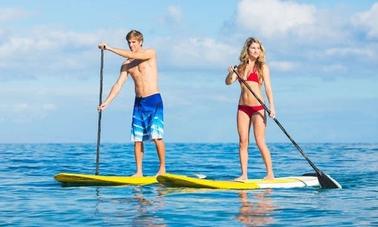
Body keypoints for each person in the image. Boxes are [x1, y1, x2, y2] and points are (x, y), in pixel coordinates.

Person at [98, 30, 166, 177]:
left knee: (156, 136)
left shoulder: (150, 53)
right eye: (129, 42)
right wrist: (107, 102)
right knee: (137, 139)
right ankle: (139, 172)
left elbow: (134, 55)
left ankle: (162, 169)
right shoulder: (127, 65)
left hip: (153, 99)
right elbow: (118, 85)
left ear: (140, 41)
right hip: (139, 102)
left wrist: (109, 48)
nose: (131, 45)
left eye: (133, 42)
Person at [225, 37, 276, 181]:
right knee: (243, 141)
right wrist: (231, 72)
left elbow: (268, 88)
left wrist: (272, 107)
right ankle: (244, 175)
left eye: (258, 48)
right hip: (243, 108)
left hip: (258, 108)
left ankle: (270, 173)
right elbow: (228, 82)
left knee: (260, 141)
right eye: (253, 48)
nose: (256, 51)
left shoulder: (262, 67)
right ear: (247, 49)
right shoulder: (239, 68)